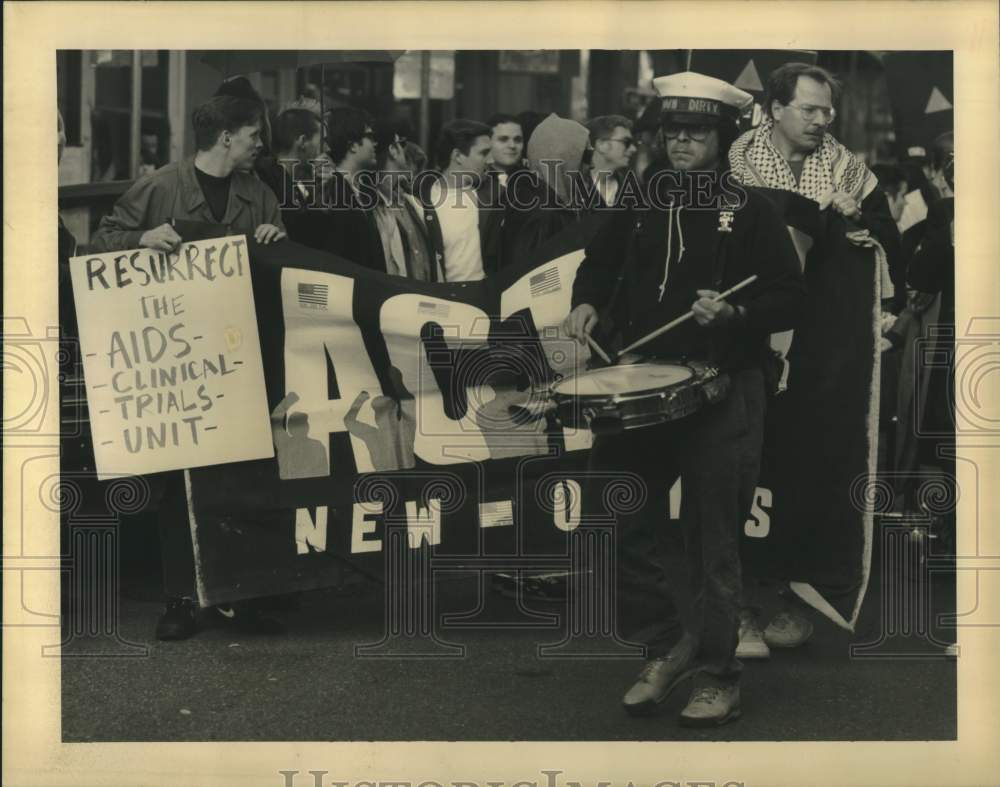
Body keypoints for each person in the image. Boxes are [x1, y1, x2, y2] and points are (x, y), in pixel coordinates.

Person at [562, 72, 806, 726]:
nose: (680, 143)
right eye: (672, 131)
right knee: (616, 511)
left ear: (720, 136)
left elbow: (789, 294)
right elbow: (598, 263)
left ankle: (719, 673)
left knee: (713, 535)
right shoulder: (641, 195)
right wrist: (585, 300)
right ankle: (666, 640)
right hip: (641, 378)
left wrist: (736, 310)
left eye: (695, 132)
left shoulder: (752, 208)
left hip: (722, 385)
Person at [90, 95, 286, 640]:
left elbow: (281, 268)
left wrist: (277, 240)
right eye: (252, 135)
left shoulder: (260, 194)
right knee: (178, 485)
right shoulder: (159, 186)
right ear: (227, 137)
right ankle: (179, 600)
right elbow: (100, 243)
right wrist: (140, 238)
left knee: (240, 478)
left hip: (238, 356)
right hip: (176, 363)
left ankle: (237, 596)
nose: (259, 144)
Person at [727, 62, 901, 656]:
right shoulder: (734, 165)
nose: (822, 122)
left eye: (828, 111)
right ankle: (737, 612)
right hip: (747, 344)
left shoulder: (853, 170)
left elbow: (887, 241)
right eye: (810, 109)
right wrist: (813, 217)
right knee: (742, 470)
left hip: (816, 354)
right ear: (775, 108)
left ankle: (775, 597)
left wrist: (855, 221)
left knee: (795, 468)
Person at [501, 112, 592, 264]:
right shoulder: (544, 215)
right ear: (562, 158)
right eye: (586, 156)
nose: (592, 165)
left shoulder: (530, 201)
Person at [415, 119, 499, 280]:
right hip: (440, 299)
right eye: (483, 153)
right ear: (458, 156)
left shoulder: (496, 197)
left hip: (484, 298)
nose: (491, 160)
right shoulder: (418, 200)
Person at [320, 106, 387, 272]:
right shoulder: (332, 193)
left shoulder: (362, 191)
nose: (375, 143)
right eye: (370, 137)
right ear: (353, 145)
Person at [371, 122, 438, 281]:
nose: (405, 149)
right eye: (402, 144)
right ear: (393, 149)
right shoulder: (376, 206)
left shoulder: (410, 202)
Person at [262, 106, 328, 250]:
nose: (327, 148)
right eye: (322, 141)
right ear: (303, 141)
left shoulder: (297, 182)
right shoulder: (269, 182)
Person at [586, 114, 638, 207]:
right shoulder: (571, 190)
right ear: (602, 145)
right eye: (626, 142)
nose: (633, 149)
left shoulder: (631, 189)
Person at [485, 113, 526, 189]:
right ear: (487, 142)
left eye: (517, 140)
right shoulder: (473, 183)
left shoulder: (536, 186)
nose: (512, 145)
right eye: (503, 139)